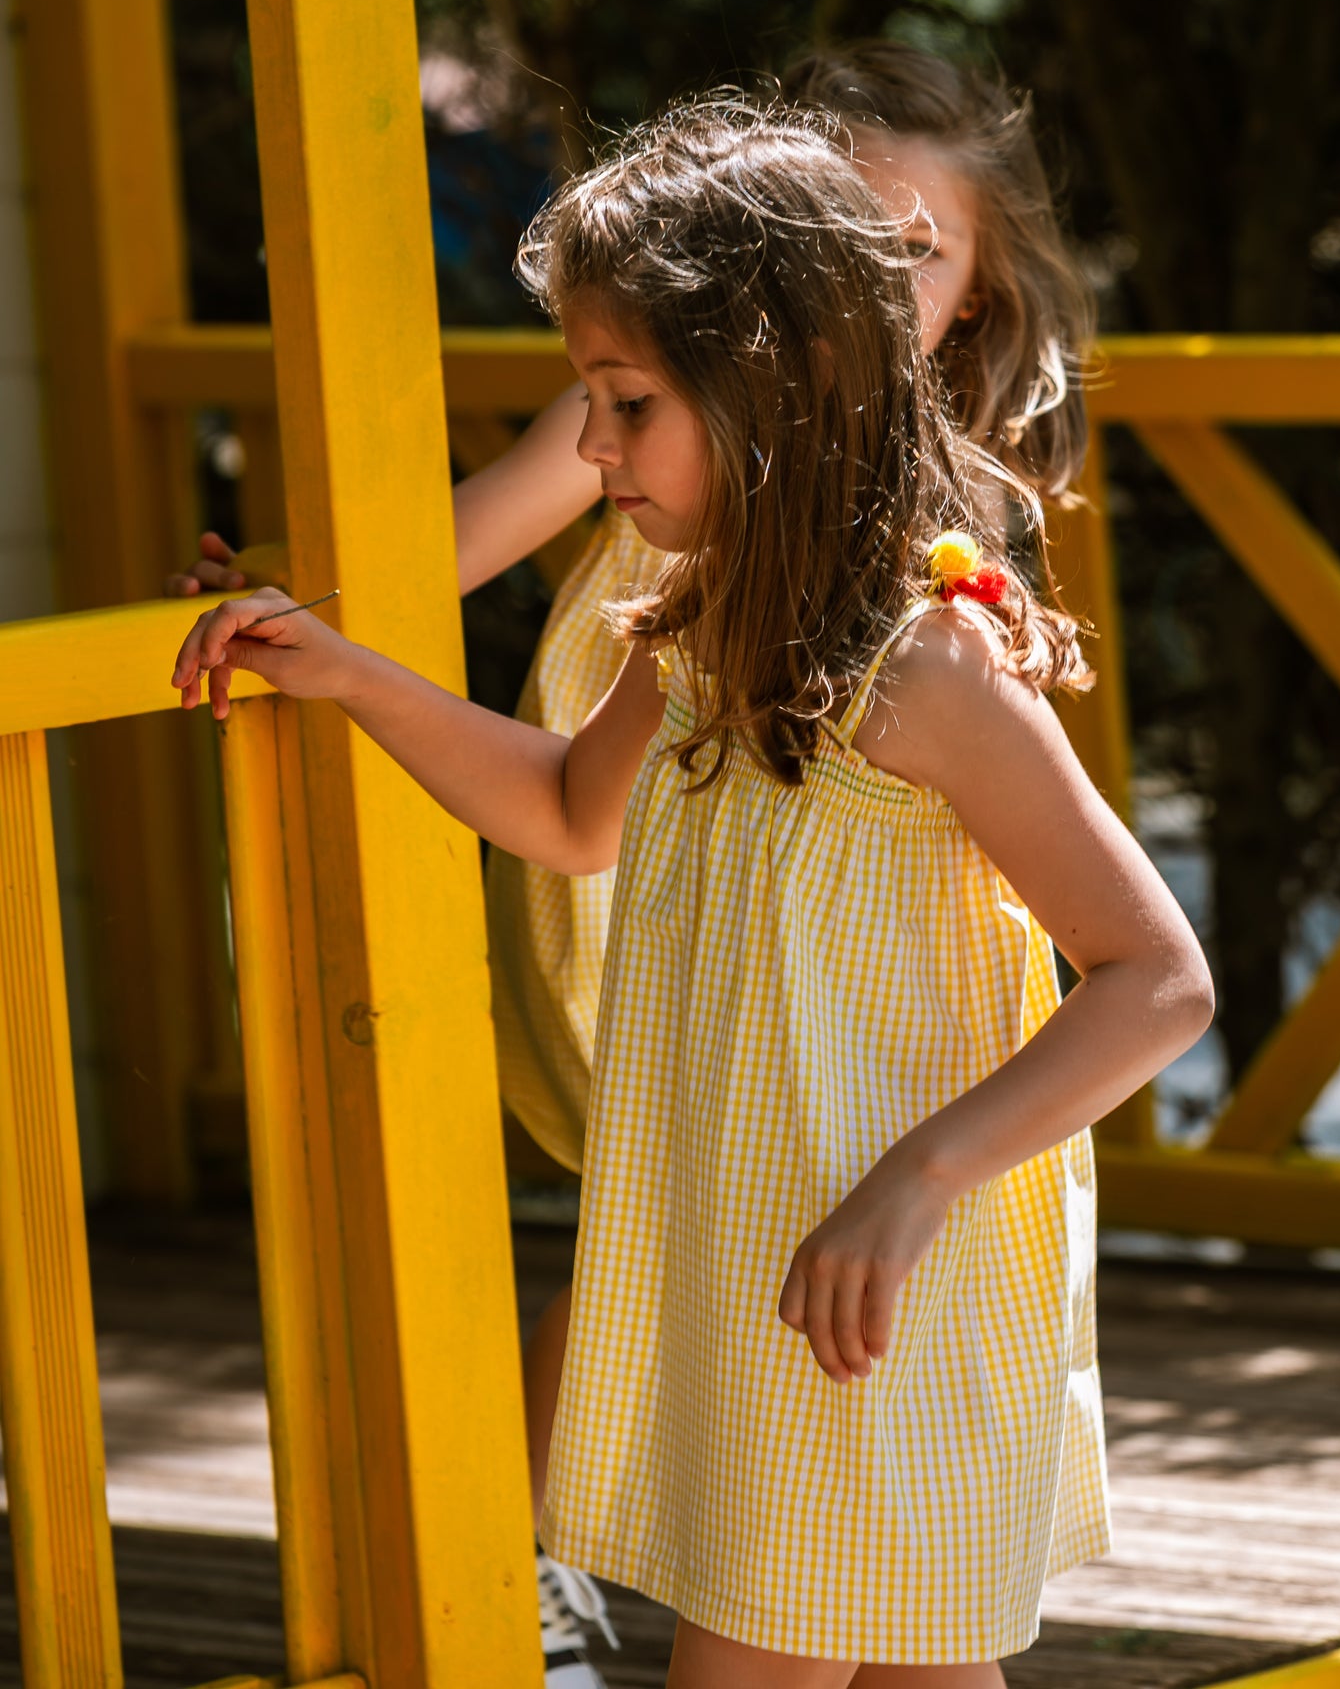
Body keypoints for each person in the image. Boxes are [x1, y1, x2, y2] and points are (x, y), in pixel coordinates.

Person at [174, 102, 1212, 1687]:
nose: (588, 452)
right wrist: (350, 678)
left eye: (625, 403)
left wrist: (915, 1181)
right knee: (913, 1669)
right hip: (765, 1265)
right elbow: (564, 812)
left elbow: (1154, 979)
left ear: (774, 391)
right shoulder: (700, 628)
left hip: (887, 1279)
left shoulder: (924, 669)